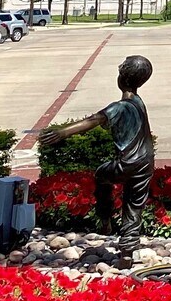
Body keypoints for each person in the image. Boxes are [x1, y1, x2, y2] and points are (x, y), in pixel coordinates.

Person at [39, 55, 155, 248]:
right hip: (145, 163)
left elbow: (92, 121)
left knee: (101, 176)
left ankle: (105, 219)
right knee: (134, 204)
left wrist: (61, 133)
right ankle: (128, 248)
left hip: (127, 163)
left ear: (122, 79)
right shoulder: (139, 103)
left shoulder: (119, 107)